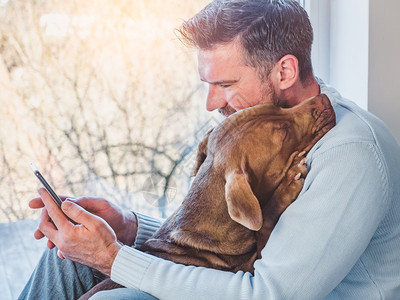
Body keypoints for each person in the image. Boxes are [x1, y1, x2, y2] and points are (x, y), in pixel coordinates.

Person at [19, 0, 400, 299]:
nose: (211, 103)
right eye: (208, 84)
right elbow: (230, 248)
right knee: (66, 263)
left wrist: (113, 257)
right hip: (243, 280)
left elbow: (269, 293)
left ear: (284, 72)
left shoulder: (350, 154)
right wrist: (130, 230)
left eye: (225, 83)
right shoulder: (260, 130)